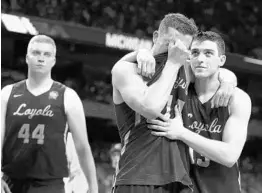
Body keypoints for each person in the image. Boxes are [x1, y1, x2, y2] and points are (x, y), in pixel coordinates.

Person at [111, 13, 236, 193]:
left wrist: (227, 83)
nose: (174, 51)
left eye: (182, 49)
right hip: (137, 175)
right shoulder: (127, 69)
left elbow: (217, 71)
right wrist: (145, 53)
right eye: (170, 44)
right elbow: (151, 108)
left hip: (180, 179)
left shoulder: (184, 68)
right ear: (155, 37)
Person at [147, 31, 252, 193]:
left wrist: (181, 132)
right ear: (189, 57)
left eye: (209, 53)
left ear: (221, 60)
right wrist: (141, 54)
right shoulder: (179, 91)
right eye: (195, 53)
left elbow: (230, 156)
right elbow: (155, 61)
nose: (201, 59)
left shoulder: (237, 99)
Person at [1, 35, 98, 193]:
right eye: (36, 53)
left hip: (49, 184)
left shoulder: (68, 96)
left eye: (47, 55)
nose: (41, 59)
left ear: (53, 61)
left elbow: (82, 147)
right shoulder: (7, 93)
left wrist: (93, 188)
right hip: (10, 181)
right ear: (27, 58)